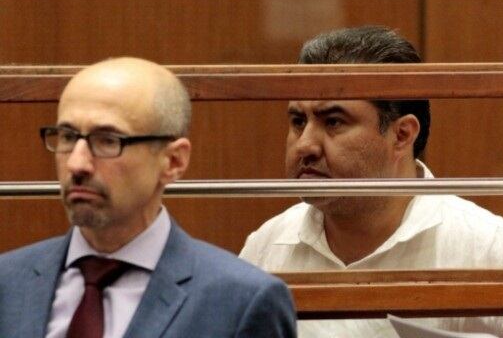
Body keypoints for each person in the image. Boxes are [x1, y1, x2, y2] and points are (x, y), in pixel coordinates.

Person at [239, 26, 503, 337]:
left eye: (333, 122)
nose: (305, 145)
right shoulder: (265, 247)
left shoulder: (497, 255)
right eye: (298, 121)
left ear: (402, 135)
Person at [0, 58, 296, 337]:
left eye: (107, 141)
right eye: (67, 137)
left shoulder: (240, 302)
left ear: (173, 161)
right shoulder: (7, 283)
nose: (77, 164)